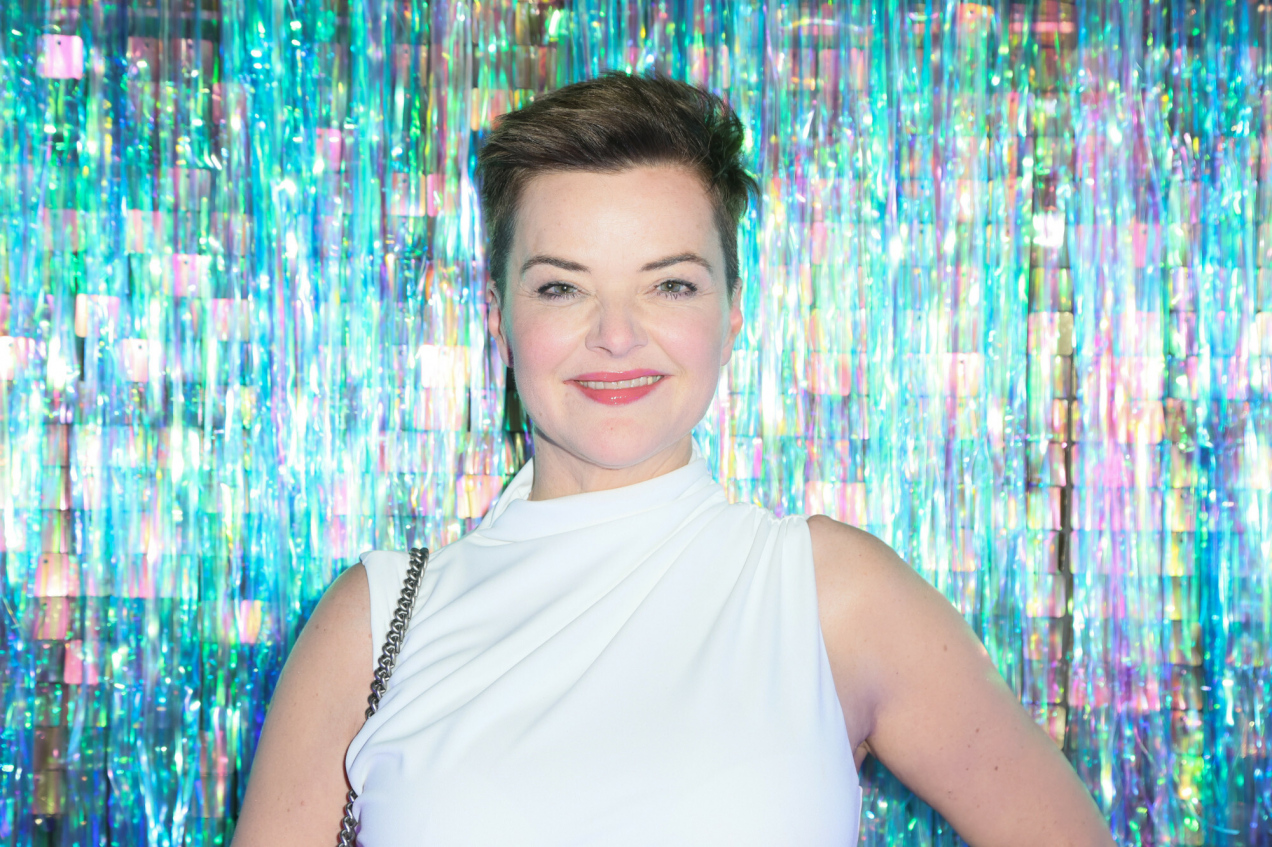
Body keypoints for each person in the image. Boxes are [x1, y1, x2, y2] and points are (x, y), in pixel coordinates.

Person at [232, 72, 1114, 846]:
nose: (616, 335)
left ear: (734, 314)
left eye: (670, 284)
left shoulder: (830, 595)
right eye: (562, 286)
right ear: (499, 317)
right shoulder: (376, 620)